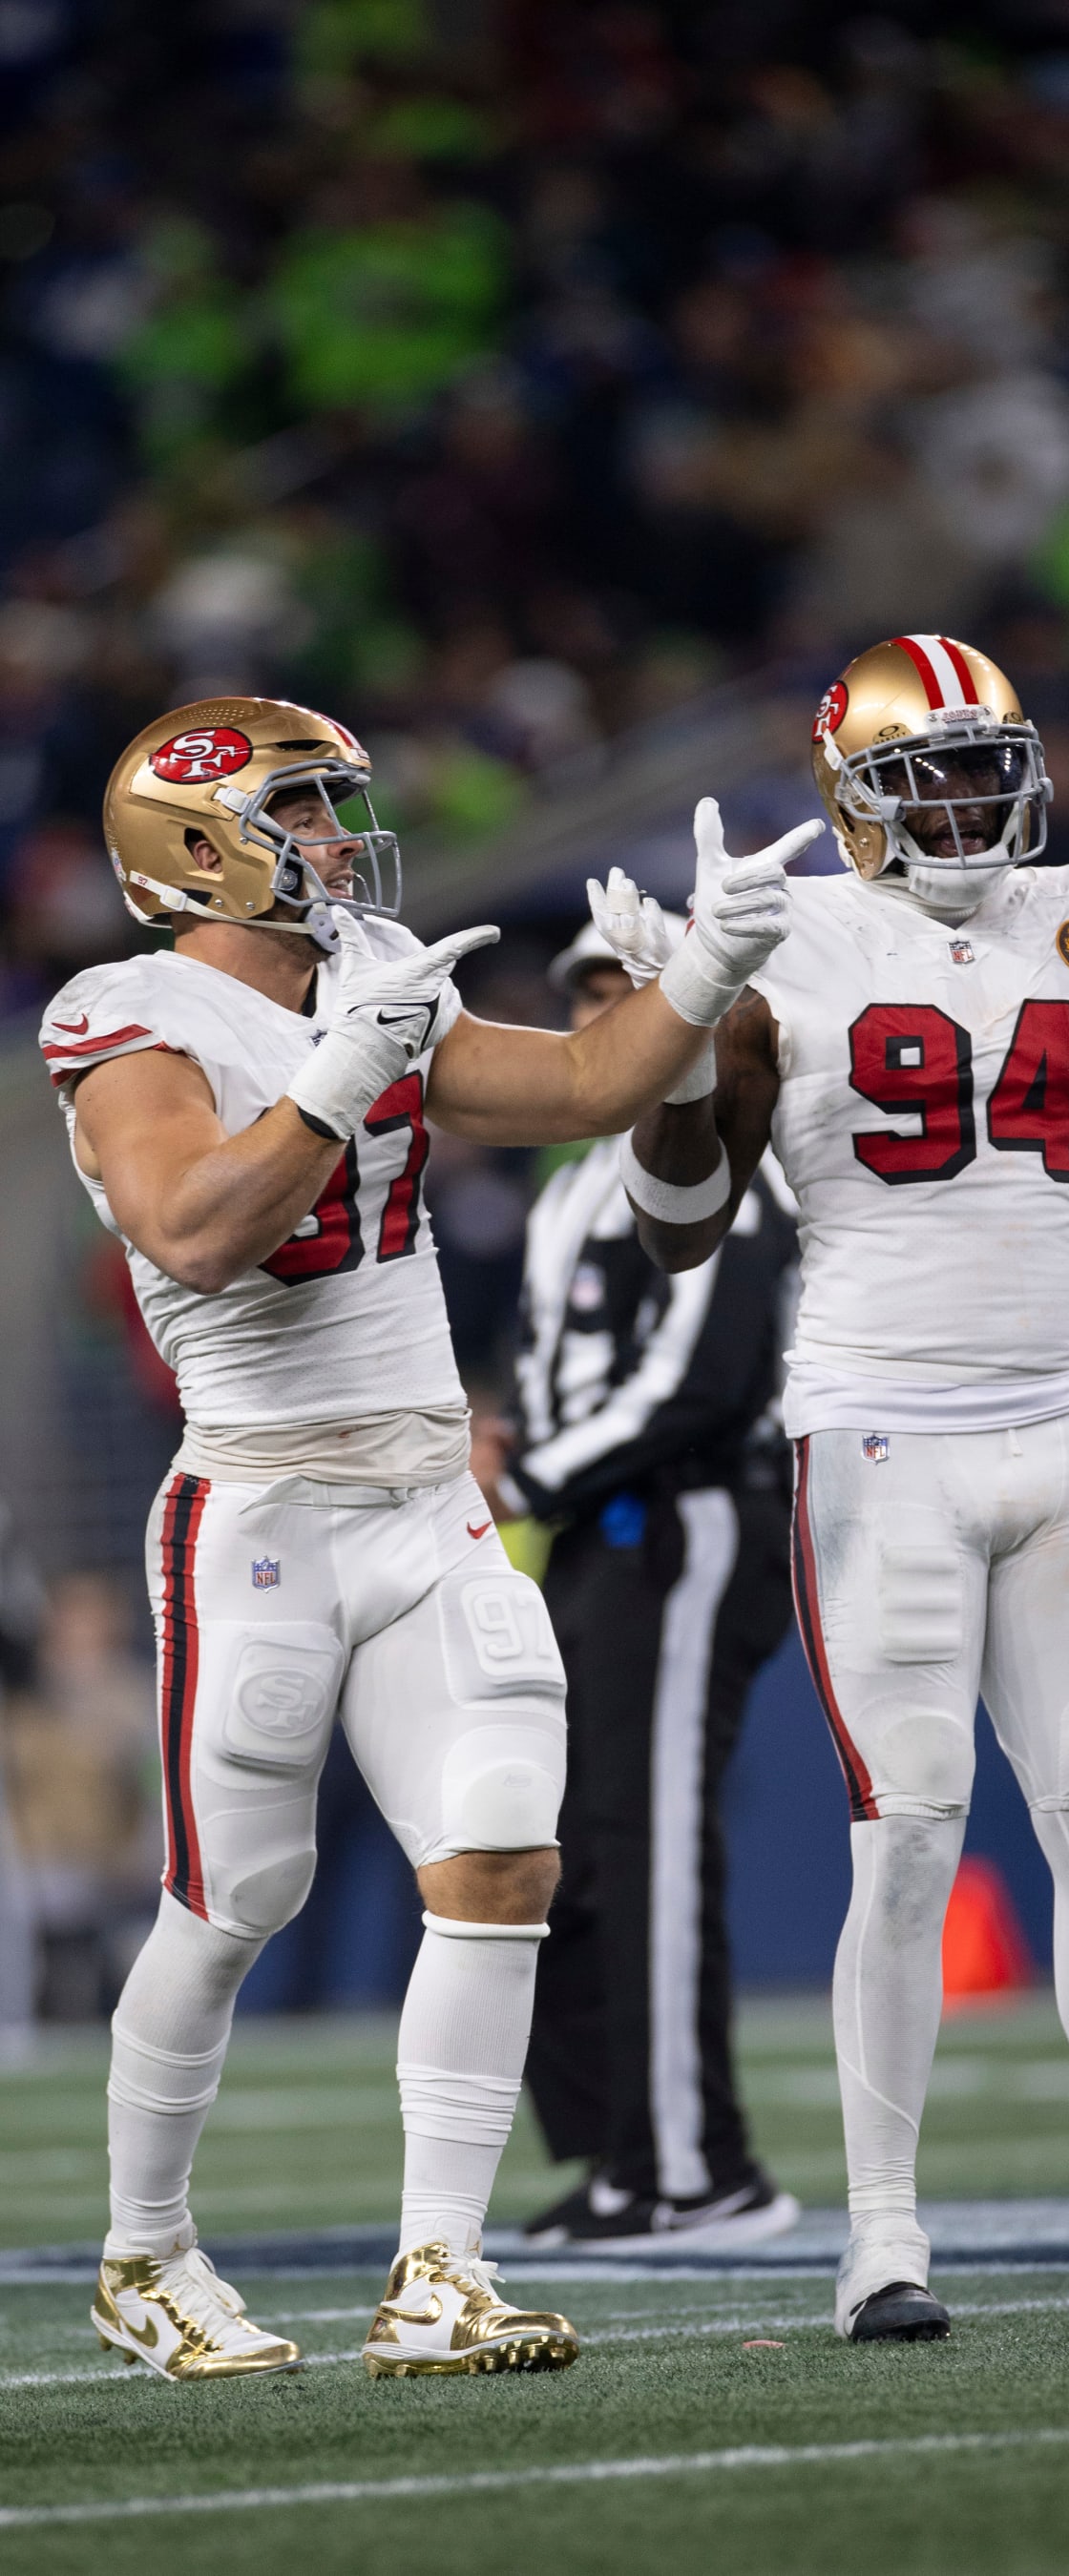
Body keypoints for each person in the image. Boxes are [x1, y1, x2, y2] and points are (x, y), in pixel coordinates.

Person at [604, 631, 1069, 2341]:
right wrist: (679, 1029)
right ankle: (881, 2239)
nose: (960, 803)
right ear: (853, 793)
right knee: (912, 1838)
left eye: (982, 767)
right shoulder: (791, 935)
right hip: (881, 1434)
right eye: (923, 773)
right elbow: (672, 1233)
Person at [37, 693, 817, 2380]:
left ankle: (437, 2270)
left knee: (500, 1856)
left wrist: (702, 973)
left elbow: (584, 1087)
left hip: (421, 1492)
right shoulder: (123, 1012)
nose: (336, 840)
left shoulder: (367, 963)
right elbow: (191, 1233)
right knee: (232, 1894)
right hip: (260, 1499)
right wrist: (342, 1068)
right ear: (198, 849)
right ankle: (143, 2255)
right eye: (301, 813)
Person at [472, 917, 800, 2249]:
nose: (611, 1011)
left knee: (647, 1840)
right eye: (594, 993)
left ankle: (693, 2167)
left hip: (685, 1523)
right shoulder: (572, 1179)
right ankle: (622, 2152)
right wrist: (504, 1432)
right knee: (571, 1848)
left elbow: (703, 1378)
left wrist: (530, 1473)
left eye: (634, 986)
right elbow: (560, 1361)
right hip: (597, 1536)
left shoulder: (726, 1161)